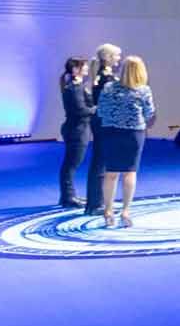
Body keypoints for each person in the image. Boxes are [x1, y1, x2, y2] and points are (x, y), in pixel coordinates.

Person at [95, 55, 155, 228]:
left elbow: (101, 111)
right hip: (133, 134)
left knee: (111, 173)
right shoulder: (143, 90)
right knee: (130, 172)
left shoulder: (108, 87)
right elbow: (149, 113)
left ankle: (108, 211)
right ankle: (126, 211)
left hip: (111, 133)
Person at [83, 43, 122, 217]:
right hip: (103, 122)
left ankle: (96, 202)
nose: (119, 59)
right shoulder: (106, 78)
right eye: (117, 56)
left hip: (101, 121)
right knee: (100, 163)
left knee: (101, 162)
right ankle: (94, 204)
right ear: (108, 58)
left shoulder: (103, 76)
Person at [57, 56, 92, 207]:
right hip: (76, 130)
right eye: (84, 66)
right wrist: (96, 109)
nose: (87, 68)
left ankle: (68, 196)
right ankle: (68, 197)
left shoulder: (77, 86)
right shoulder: (73, 88)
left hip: (77, 128)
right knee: (71, 165)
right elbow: (81, 110)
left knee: (71, 164)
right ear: (75, 69)